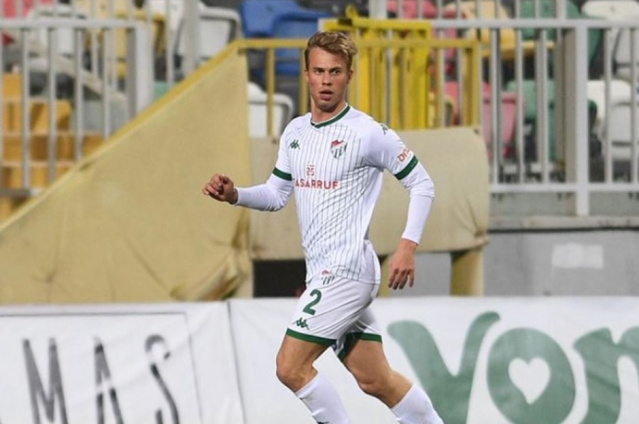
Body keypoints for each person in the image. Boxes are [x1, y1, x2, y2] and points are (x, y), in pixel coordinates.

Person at [203, 31, 442, 424]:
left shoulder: (368, 133)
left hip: (347, 271)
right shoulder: (296, 133)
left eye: (335, 72)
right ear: (306, 75)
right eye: (318, 71)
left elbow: (422, 183)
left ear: (349, 75)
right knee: (375, 379)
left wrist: (407, 246)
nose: (326, 81)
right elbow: (276, 194)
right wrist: (235, 195)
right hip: (323, 272)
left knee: (290, 367)